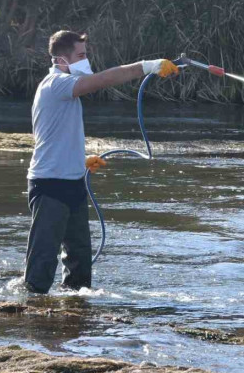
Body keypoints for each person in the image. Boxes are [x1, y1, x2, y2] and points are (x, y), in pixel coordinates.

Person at [23, 30, 179, 294]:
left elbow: (55, 134)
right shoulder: (55, 84)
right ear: (62, 60)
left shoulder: (64, 90)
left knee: (80, 261)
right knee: (42, 262)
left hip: (73, 183)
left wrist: (80, 161)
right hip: (49, 185)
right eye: (81, 56)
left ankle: (74, 316)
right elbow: (102, 80)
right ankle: (32, 314)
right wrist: (147, 67)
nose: (86, 60)